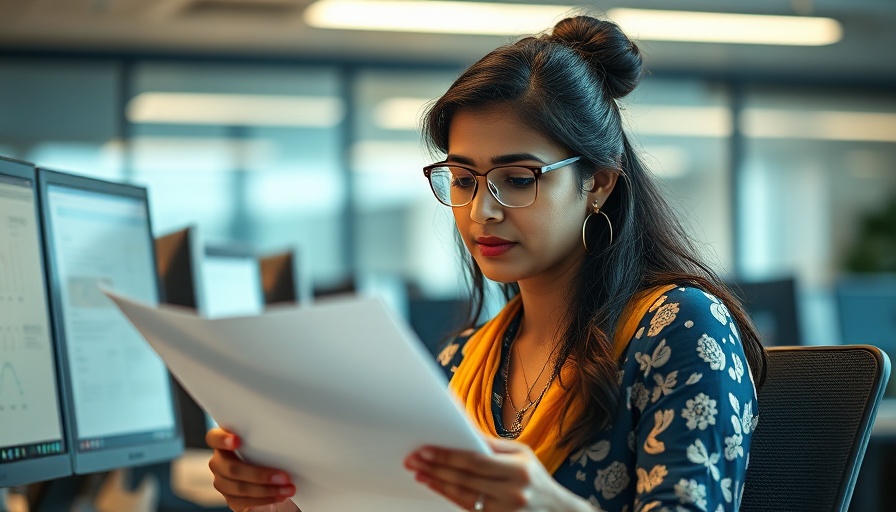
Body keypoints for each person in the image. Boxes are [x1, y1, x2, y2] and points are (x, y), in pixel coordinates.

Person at [206, 14, 766, 512]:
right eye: (465, 181)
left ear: (596, 182)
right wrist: (281, 502)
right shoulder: (462, 360)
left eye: (517, 179)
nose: (482, 210)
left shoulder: (680, 327)